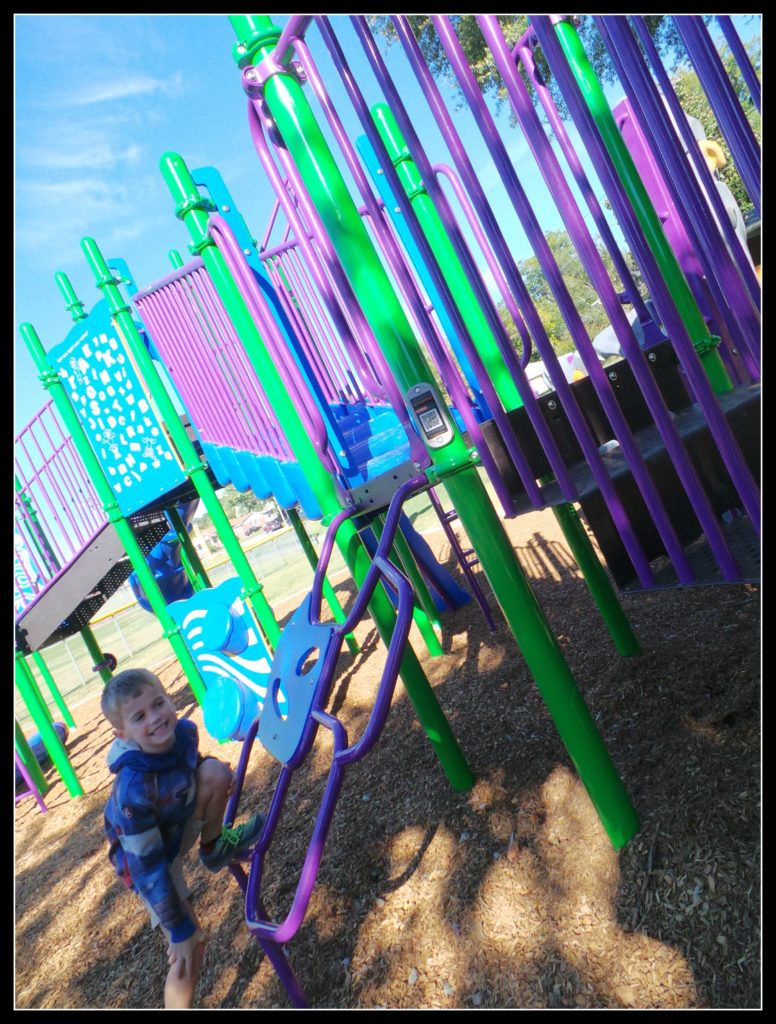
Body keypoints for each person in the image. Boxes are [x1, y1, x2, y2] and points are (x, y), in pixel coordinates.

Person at [101, 667, 264, 1008]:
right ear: (122, 734)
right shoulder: (133, 790)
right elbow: (147, 867)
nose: (156, 718)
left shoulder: (184, 734)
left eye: (159, 704)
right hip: (147, 860)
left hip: (173, 825)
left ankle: (213, 846)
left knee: (215, 772)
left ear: (170, 699)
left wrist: (210, 775)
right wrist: (177, 928)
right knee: (190, 946)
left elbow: (191, 766)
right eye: (140, 716)